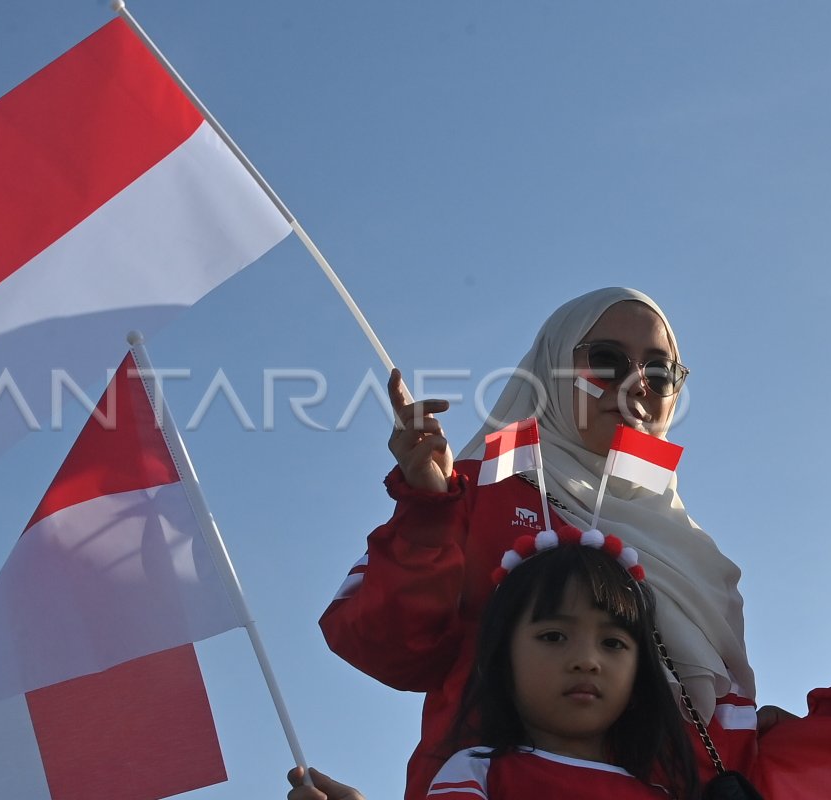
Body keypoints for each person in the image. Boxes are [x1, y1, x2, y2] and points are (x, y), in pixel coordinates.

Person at [320, 288, 757, 800]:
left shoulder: (693, 550)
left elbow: (718, 737)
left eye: (660, 371)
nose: (638, 384)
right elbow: (386, 646)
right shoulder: (474, 487)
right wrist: (426, 511)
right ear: (553, 369)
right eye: (608, 361)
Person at [429, 529, 699, 800]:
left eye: (613, 643)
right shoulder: (477, 774)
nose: (587, 661)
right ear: (503, 659)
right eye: (554, 637)